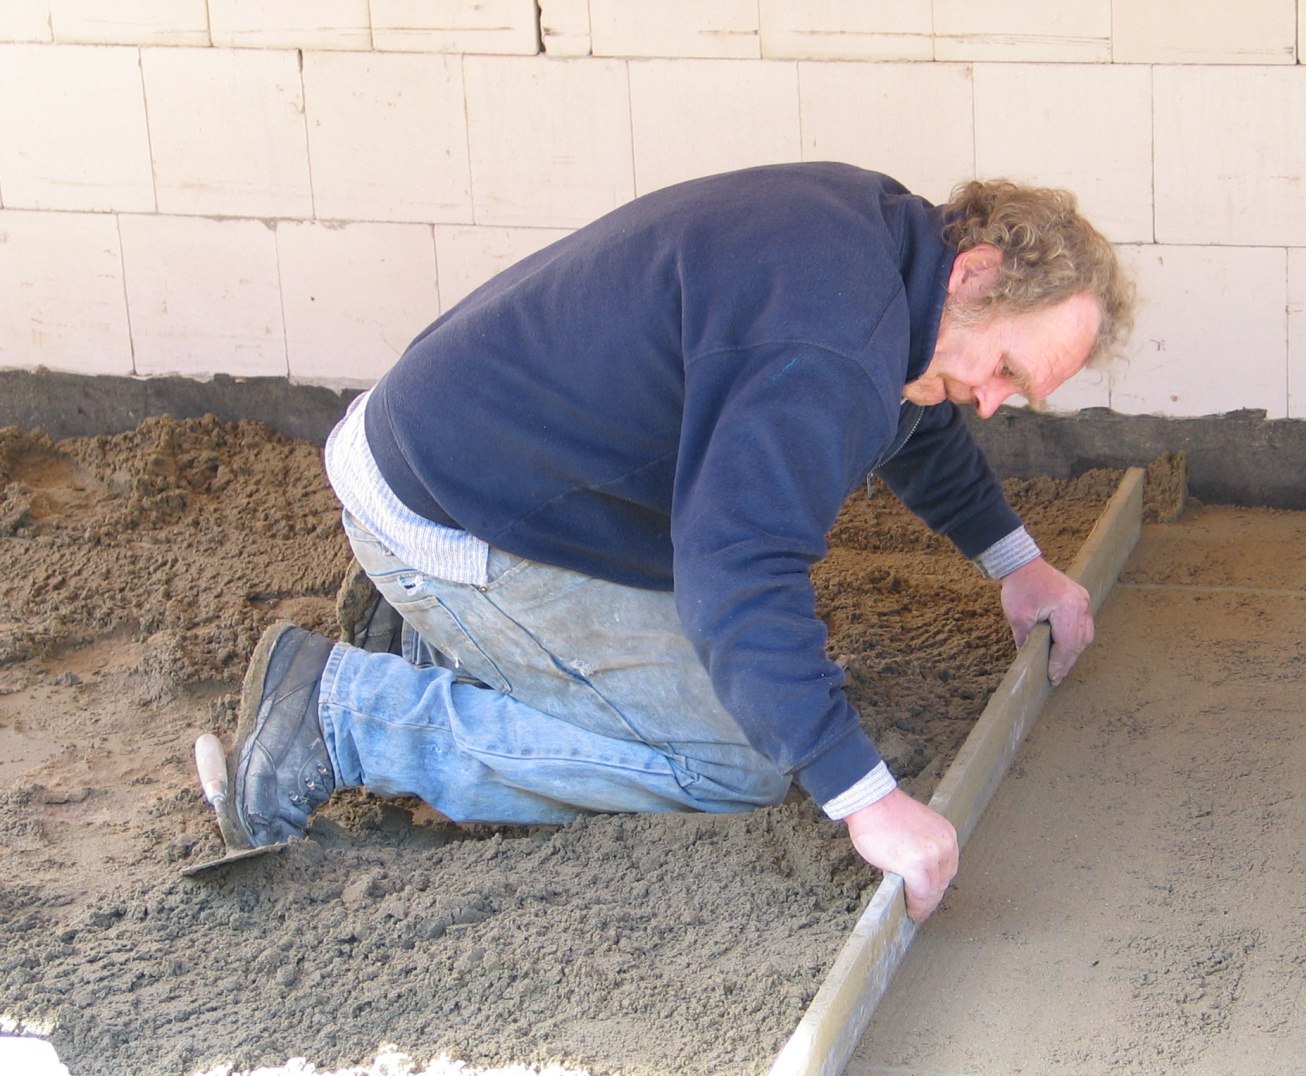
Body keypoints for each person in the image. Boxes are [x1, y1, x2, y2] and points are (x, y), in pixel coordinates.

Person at [223, 163, 1132, 922]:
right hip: (456, 515)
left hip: (467, 454)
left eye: (1016, 393)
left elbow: (918, 417)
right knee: (734, 761)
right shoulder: (830, 340)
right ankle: (350, 717)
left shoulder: (887, 251)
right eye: (1004, 370)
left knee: (775, 689)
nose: (990, 403)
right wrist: (868, 800)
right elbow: (737, 571)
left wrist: (1016, 563)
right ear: (976, 272)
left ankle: (443, 639)